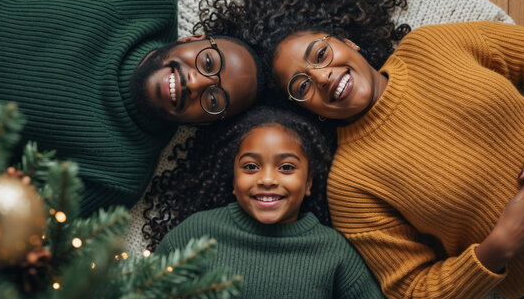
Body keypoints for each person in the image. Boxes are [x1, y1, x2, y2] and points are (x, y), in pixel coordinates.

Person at [195, 0, 524, 299]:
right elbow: (411, 289)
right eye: (302, 85)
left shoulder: (430, 46)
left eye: (321, 54)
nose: (323, 77)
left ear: (349, 43)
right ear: (307, 111)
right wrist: (500, 246)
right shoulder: (351, 187)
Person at [0, 0, 263, 215]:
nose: (197, 83)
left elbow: (3, 231)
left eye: (214, 99)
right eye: (207, 62)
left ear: (203, 123)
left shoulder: (117, 177)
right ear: (193, 40)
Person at [151, 105, 383, 298]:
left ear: (308, 183)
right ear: (234, 181)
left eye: (286, 167)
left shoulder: (332, 249)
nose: (268, 179)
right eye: (251, 167)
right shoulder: (197, 233)